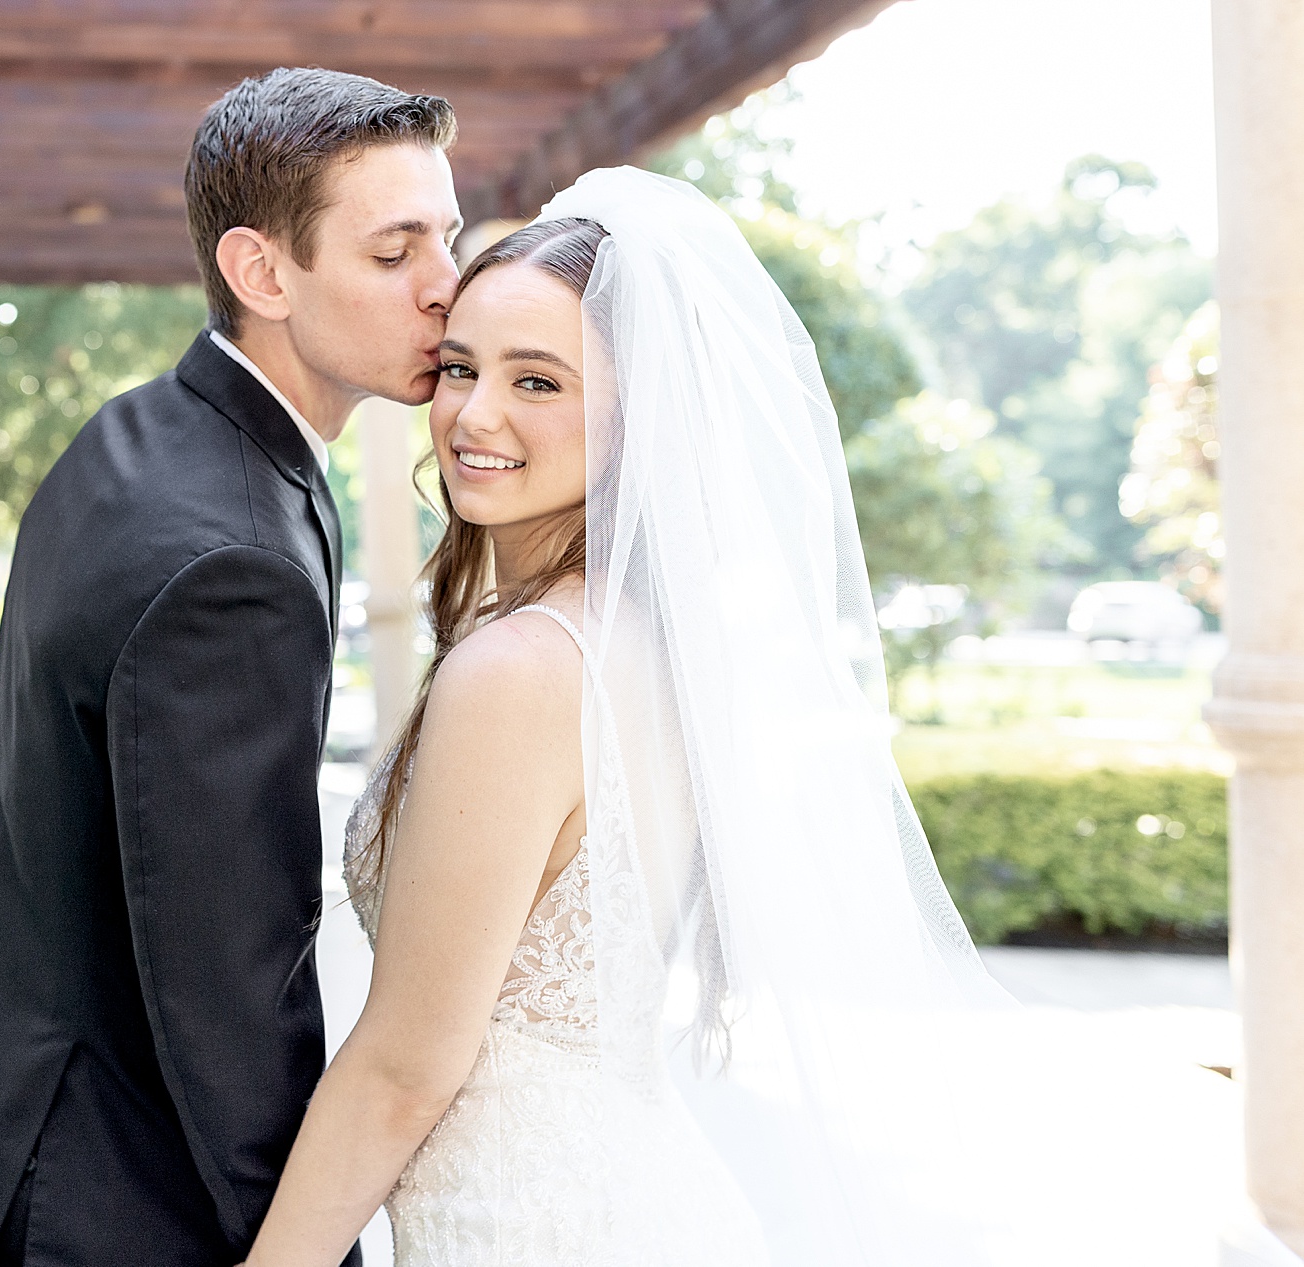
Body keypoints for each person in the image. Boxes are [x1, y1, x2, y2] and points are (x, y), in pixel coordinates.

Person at [238, 167, 1304, 1267]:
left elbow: (406, 1070)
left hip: (530, 1226)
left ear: (637, 420)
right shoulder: (628, 643)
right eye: (459, 367)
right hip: (623, 1195)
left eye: (539, 381)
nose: (475, 412)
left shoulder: (518, 670)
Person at [0, 68, 462, 1267]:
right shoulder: (232, 564)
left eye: (448, 237)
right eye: (393, 251)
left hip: (9, 1126)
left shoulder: (140, 434)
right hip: (113, 1197)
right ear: (263, 273)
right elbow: (231, 980)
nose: (444, 287)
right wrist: (303, 1242)